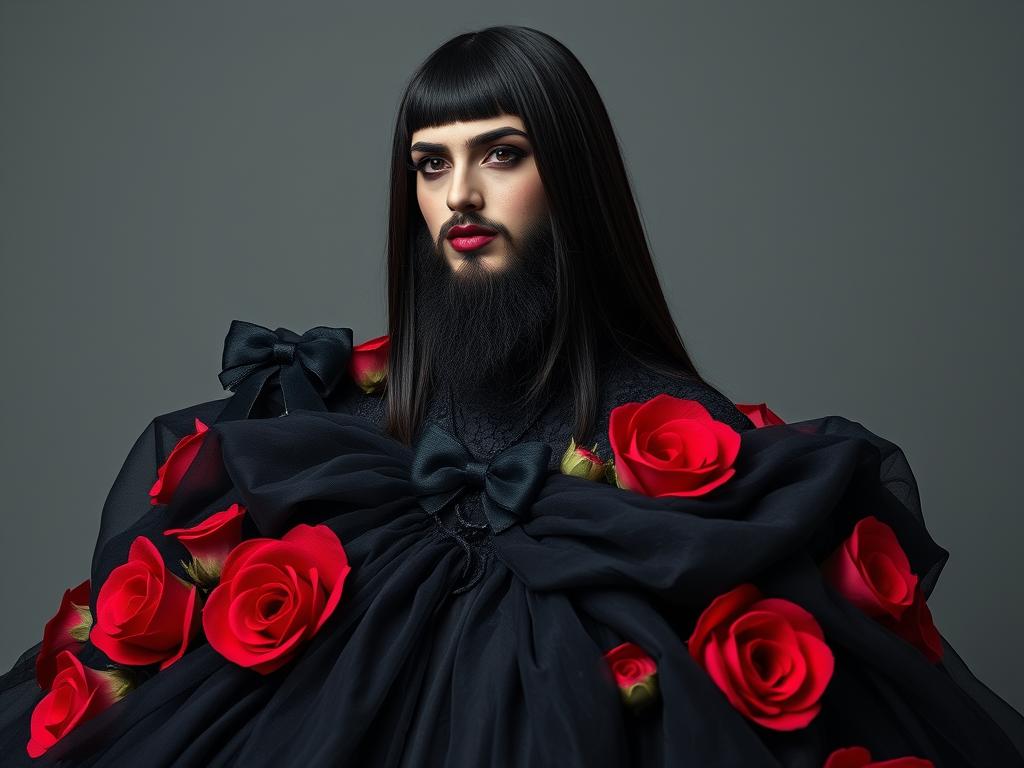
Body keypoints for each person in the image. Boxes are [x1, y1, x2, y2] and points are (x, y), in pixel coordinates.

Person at [1, 25, 1022, 768]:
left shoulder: (687, 446)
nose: (461, 198)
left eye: (500, 154)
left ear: (567, 176)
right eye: (429, 164)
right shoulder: (322, 417)